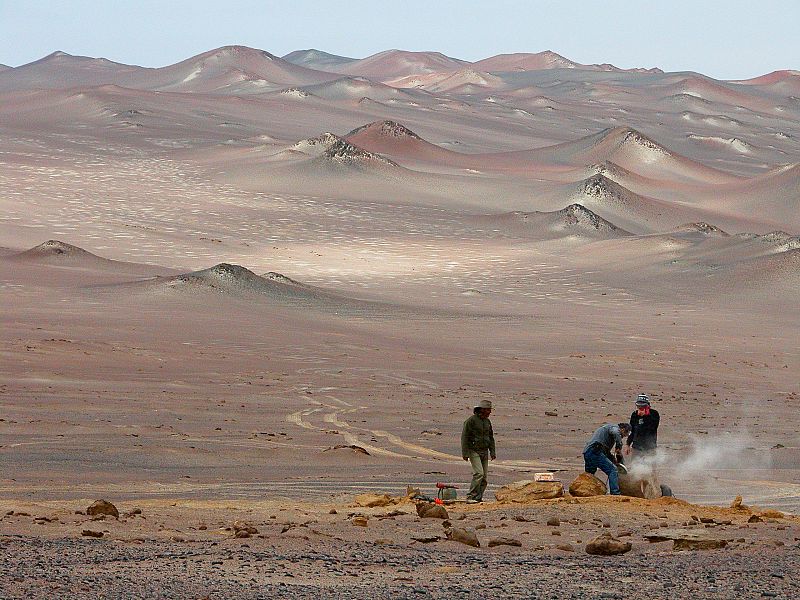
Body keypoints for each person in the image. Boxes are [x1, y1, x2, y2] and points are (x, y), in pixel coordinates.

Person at [461, 399, 496, 503]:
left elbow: (491, 437)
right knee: (479, 473)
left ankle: (478, 497)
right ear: (482, 409)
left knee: (484, 478)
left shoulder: (487, 421)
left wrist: (492, 452)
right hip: (473, 450)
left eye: (490, 410)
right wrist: (465, 453)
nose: (490, 412)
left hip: (484, 451)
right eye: (488, 410)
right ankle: (470, 496)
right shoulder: (471, 421)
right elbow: (464, 437)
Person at [583, 422, 631, 495]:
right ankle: (615, 494)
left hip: (588, 452)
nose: (622, 437)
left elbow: (605, 451)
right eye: (623, 435)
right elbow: (615, 432)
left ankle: (584, 491)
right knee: (613, 470)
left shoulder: (607, 430)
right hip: (595, 451)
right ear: (623, 429)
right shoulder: (614, 428)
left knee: (589, 474)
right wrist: (618, 446)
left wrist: (614, 460)